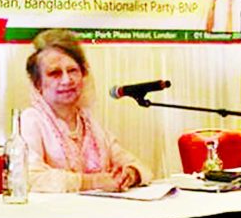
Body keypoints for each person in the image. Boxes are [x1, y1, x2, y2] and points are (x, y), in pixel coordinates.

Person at [20, 29, 153, 192]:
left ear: (83, 74)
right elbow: (29, 178)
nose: (66, 80)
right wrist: (91, 182)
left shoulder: (88, 122)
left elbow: (137, 165)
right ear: (38, 84)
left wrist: (130, 174)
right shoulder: (31, 120)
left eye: (72, 71)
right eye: (55, 73)